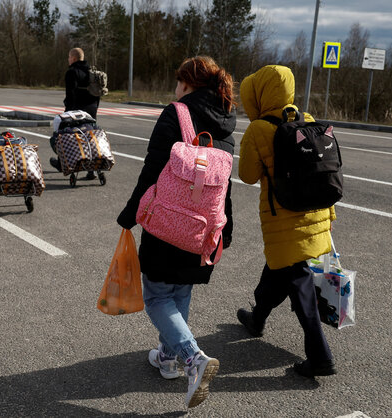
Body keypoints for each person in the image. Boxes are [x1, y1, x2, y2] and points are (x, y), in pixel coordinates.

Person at [116, 56, 236, 408]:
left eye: (177, 81)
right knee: (180, 291)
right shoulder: (228, 121)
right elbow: (225, 185)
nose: (175, 88)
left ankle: (192, 357)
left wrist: (130, 214)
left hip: (167, 222)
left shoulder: (176, 113)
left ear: (187, 83)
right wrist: (226, 229)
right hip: (203, 229)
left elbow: (153, 169)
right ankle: (168, 359)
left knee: (156, 297)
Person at [234, 64, 337, 378]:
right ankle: (257, 317)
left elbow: (247, 176)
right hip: (318, 214)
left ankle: (320, 357)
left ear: (259, 93)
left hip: (284, 220)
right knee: (277, 272)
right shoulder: (306, 120)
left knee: (298, 282)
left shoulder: (258, 129)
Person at [50, 47, 101, 179]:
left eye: (68, 57)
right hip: (91, 110)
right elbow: (98, 93)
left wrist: (67, 112)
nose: (68, 59)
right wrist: (94, 109)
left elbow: (70, 94)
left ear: (73, 58)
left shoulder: (72, 72)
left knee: (66, 136)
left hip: (76, 110)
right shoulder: (92, 71)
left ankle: (62, 163)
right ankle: (92, 170)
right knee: (90, 137)